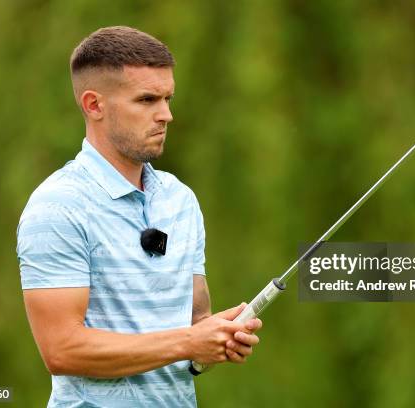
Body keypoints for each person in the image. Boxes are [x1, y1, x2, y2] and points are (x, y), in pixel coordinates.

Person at [16, 26, 262, 407]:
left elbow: (193, 329)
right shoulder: (57, 206)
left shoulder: (180, 200)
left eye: (168, 98)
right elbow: (61, 351)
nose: (166, 115)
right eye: (147, 99)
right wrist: (188, 342)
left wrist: (215, 340)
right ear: (94, 105)